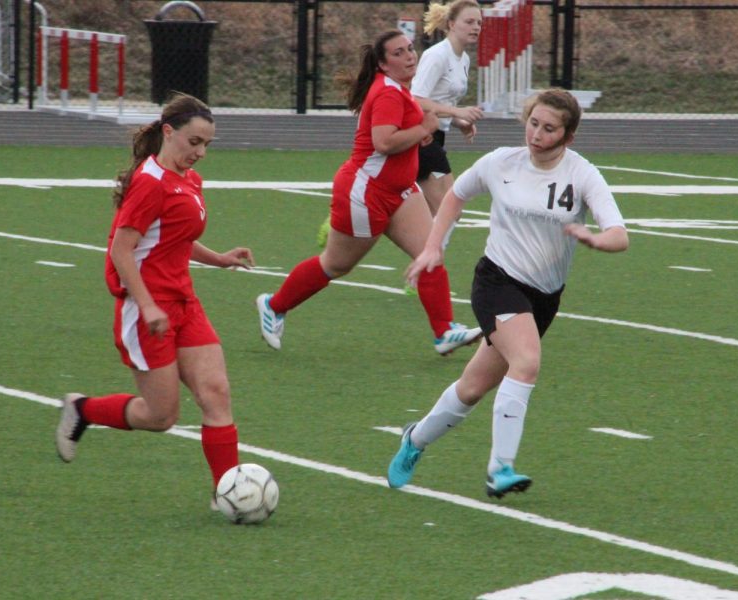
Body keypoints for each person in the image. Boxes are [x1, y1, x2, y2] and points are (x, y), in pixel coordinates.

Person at [387, 89, 629, 497]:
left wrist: (595, 239)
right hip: (497, 283)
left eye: (549, 129)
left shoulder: (582, 174)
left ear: (568, 137)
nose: (536, 134)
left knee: (471, 389)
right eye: (533, 123)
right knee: (527, 361)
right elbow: (455, 195)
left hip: (544, 298)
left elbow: (620, 235)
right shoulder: (500, 162)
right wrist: (432, 246)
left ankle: (414, 440)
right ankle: (500, 467)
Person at [55, 93, 255, 510]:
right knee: (161, 417)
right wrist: (146, 305)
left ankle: (227, 494)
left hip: (183, 301)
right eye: (194, 142)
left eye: (206, 145)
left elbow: (174, 236)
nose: (199, 153)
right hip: (146, 311)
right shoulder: (149, 184)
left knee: (216, 392)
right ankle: (83, 409)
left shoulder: (189, 180)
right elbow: (121, 252)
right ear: (168, 132)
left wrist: (218, 259)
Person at [256, 30, 482, 356]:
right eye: (399, 53)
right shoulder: (388, 93)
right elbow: (384, 143)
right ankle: (273, 305)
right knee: (336, 264)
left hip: (400, 190)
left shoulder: (398, 89)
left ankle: (445, 331)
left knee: (430, 252)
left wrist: (442, 124)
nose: (409, 56)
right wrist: (424, 130)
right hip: (366, 193)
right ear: (382, 64)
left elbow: (415, 117)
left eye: (410, 49)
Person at [412, 0, 484, 217]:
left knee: (436, 213)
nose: (476, 27)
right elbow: (415, 99)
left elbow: (440, 99)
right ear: (452, 24)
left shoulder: (464, 59)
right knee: (448, 210)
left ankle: (424, 250)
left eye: (479, 23)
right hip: (422, 138)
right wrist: (457, 112)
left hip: (437, 136)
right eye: (469, 21)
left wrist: (458, 122)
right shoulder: (437, 55)